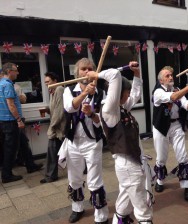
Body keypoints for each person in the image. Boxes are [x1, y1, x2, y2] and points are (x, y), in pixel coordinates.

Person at [87, 61, 154, 224]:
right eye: (126, 91)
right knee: (143, 210)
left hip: (131, 162)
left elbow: (136, 95)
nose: (129, 94)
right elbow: (114, 75)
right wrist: (97, 75)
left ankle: (120, 219)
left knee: (124, 205)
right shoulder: (110, 111)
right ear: (117, 92)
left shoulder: (122, 108)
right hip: (128, 164)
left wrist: (136, 74)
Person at [62, 58, 108, 224]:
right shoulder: (68, 90)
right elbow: (69, 107)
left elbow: (102, 121)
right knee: (74, 178)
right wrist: (84, 94)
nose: (87, 71)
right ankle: (77, 208)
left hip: (92, 143)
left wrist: (91, 114)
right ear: (77, 72)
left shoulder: (102, 93)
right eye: (83, 69)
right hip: (73, 142)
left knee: (95, 180)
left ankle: (101, 215)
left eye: (90, 68)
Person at [152, 65, 188, 201]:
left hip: (176, 125)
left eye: (171, 75)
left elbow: (184, 103)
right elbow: (173, 97)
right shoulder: (158, 93)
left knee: (182, 155)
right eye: (167, 76)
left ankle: (187, 185)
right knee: (161, 157)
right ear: (161, 81)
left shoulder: (177, 90)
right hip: (161, 127)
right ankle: (160, 181)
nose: (171, 77)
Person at [0, 62, 24, 183]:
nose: (17, 72)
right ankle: (7, 175)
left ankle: (6, 173)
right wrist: (19, 120)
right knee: (10, 149)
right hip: (10, 122)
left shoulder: (0, 84)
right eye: (16, 70)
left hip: (3, 121)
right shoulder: (8, 85)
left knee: (5, 148)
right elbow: (11, 104)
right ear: (9, 72)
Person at [40, 72, 66, 184]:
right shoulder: (52, 92)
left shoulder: (59, 89)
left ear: (55, 81)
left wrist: (51, 127)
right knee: (62, 151)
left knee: (53, 151)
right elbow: (54, 109)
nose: (46, 84)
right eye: (45, 82)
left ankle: (51, 175)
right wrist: (46, 109)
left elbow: (59, 112)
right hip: (57, 128)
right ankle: (51, 175)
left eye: (48, 82)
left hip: (59, 128)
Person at [14, 82, 43, 173]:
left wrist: (16, 95)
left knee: (23, 142)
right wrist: (19, 120)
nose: (17, 73)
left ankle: (29, 165)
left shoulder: (14, 86)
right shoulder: (6, 86)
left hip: (15, 118)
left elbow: (23, 100)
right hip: (11, 120)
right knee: (10, 145)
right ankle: (7, 172)